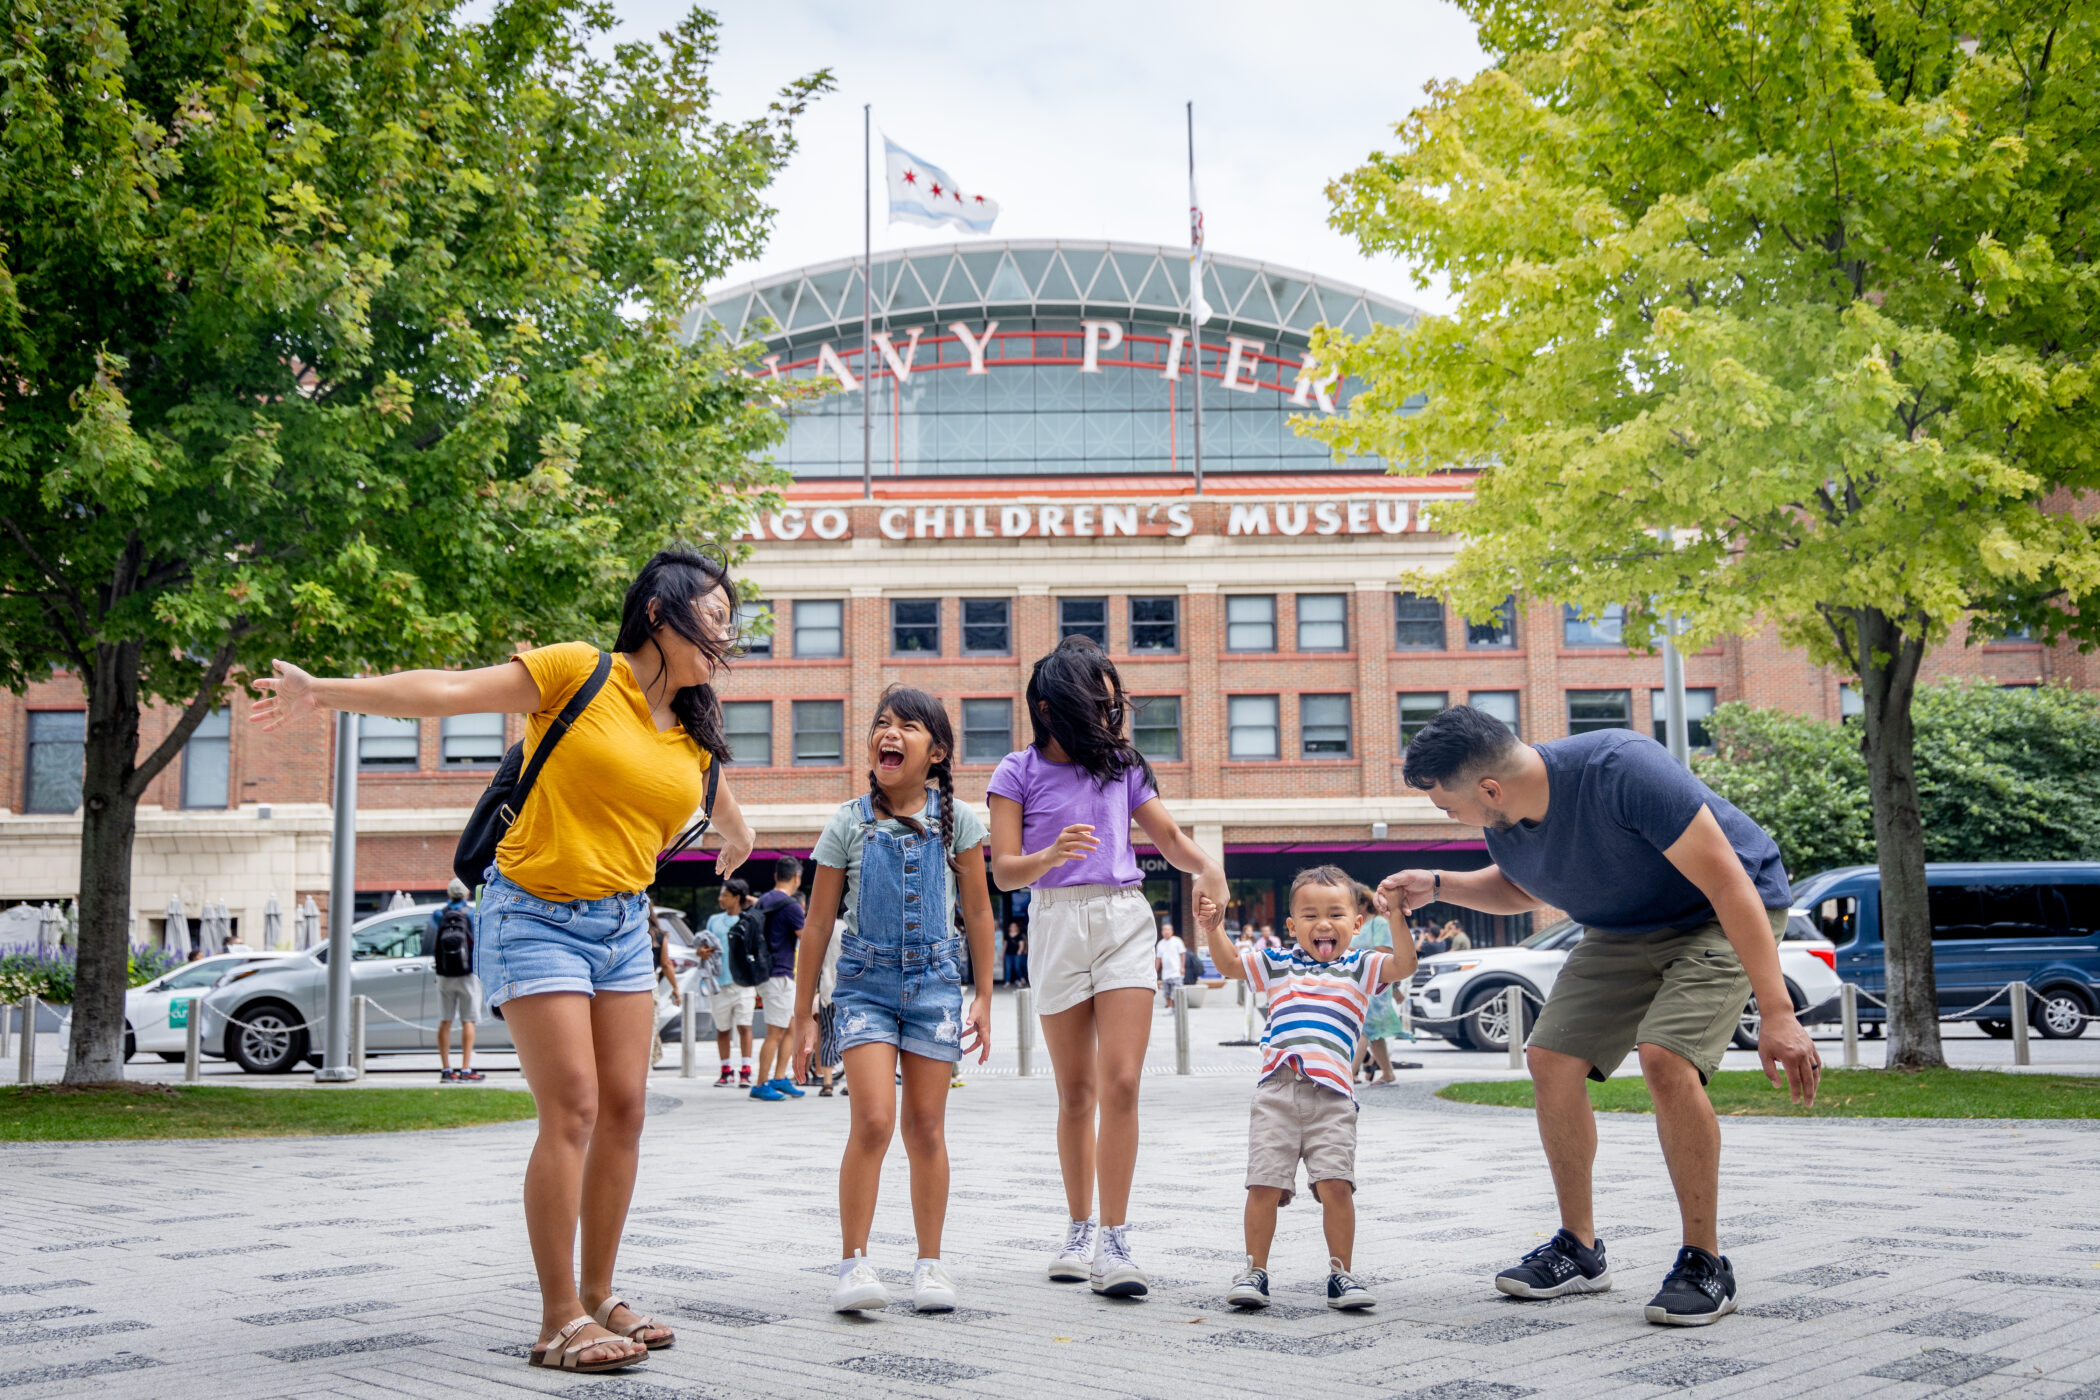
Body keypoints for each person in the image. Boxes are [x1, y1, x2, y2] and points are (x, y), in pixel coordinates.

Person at [250, 549, 755, 1373]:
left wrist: (741, 838)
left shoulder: (695, 733)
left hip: (624, 926)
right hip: (533, 915)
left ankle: (599, 1294)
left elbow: (718, 805)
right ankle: (558, 1318)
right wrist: (325, 694)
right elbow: (446, 690)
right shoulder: (579, 673)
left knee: (627, 1109)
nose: (725, 633)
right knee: (576, 1109)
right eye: (713, 614)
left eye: (733, 620)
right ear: (660, 615)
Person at [1379, 705, 1817, 1327]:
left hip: (1719, 915)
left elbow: (1729, 884)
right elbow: (1527, 886)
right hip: (1621, 928)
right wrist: (1440, 883)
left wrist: (1777, 1012)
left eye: (1448, 805)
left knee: (1665, 1059)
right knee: (1549, 1058)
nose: (1448, 816)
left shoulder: (1622, 768)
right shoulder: (1506, 819)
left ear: (1490, 788)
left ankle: (1704, 1261)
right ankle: (1580, 1252)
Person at [987, 635, 1227, 1299]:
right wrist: (1050, 854)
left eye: (1111, 698)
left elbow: (1172, 841)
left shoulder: (1122, 766)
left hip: (1123, 918)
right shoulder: (1016, 771)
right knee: (1075, 1095)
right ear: (1049, 705)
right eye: (1097, 698)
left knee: (1121, 1082)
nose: (1110, 710)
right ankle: (1078, 1227)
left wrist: (1211, 870)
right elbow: (1004, 871)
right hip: (1056, 919)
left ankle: (1117, 1241)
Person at [790, 686, 995, 1314]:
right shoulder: (847, 822)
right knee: (874, 1120)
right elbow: (818, 925)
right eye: (883, 723)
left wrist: (984, 994)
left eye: (908, 726)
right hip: (863, 987)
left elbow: (979, 912)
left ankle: (929, 1265)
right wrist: (804, 1015)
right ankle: (854, 1263)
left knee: (927, 1128)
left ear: (936, 752)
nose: (891, 733)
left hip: (935, 986)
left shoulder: (957, 820)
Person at [1198, 865, 1415, 1313]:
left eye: (1336, 914)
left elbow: (1404, 964)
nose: (1323, 924)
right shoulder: (1278, 963)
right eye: (1310, 915)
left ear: (1356, 924)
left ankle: (1342, 1274)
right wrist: (1212, 929)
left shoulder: (1362, 966)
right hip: (1277, 1091)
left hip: (1333, 1097)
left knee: (1337, 1185)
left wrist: (1396, 916)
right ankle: (1254, 1270)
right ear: (1292, 926)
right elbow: (1228, 964)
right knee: (1263, 1184)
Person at [750, 856, 806, 1102]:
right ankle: (761, 1083)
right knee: (775, 1032)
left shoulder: (763, 900)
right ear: (797, 877)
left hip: (766, 973)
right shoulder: (791, 905)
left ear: (775, 876)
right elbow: (806, 938)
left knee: (791, 1026)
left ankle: (780, 1077)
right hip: (779, 974)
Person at [697, 879, 756, 1088]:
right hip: (719, 982)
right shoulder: (714, 920)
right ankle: (725, 1071)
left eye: (725, 895)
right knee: (722, 1029)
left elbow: (764, 913)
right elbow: (705, 947)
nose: (720, 898)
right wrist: (701, 952)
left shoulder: (749, 919)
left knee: (745, 1026)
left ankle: (746, 1071)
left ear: (737, 897)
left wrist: (751, 901)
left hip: (744, 983)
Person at [428, 878, 485, 1082]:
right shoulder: (471, 914)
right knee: (468, 1020)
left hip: (444, 974)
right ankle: (465, 1069)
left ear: (448, 895)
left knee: (445, 1020)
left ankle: (446, 1070)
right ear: (467, 894)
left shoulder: (438, 915)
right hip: (468, 973)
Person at [1350, 883, 1407, 1086]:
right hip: (1356, 984)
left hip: (1374, 983)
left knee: (1363, 1028)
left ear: (1364, 904)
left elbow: (1384, 952)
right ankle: (1388, 1072)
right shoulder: (1353, 925)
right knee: (1374, 1033)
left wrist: (1351, 952)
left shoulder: (1378, 924)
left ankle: (1348, 1075)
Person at [1155, 925, 1187, 1012]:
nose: (1166, 932)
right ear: (1161, 932)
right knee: (1167, 993)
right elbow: (1158, 958)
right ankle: (1170, 1008)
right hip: (1166, 973)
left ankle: (1176, 1008)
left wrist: (1182, 967)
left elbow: (1182, 954)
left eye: (1168, 930)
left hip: (1176, 972)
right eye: (1164, 930)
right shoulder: (1160, 944)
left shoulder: (1177, 941)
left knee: (1176, 991)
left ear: (1172, 931)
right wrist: (1155, 971)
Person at [1001, 920, 1028, 988]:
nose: (1013, 927)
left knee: (1017, 968)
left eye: (1014, 926)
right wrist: (1003, 954)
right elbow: (1005, 945)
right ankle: (1007, 982)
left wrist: (1019, 951)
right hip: (1008, 954)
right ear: (1009, 927)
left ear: (1016, 927)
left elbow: (1021, 944)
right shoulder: (1007, 935)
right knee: (1008, 968)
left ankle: (1019, 979)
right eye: (1011, 926)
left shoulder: (1020, 935)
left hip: (1017, 954)